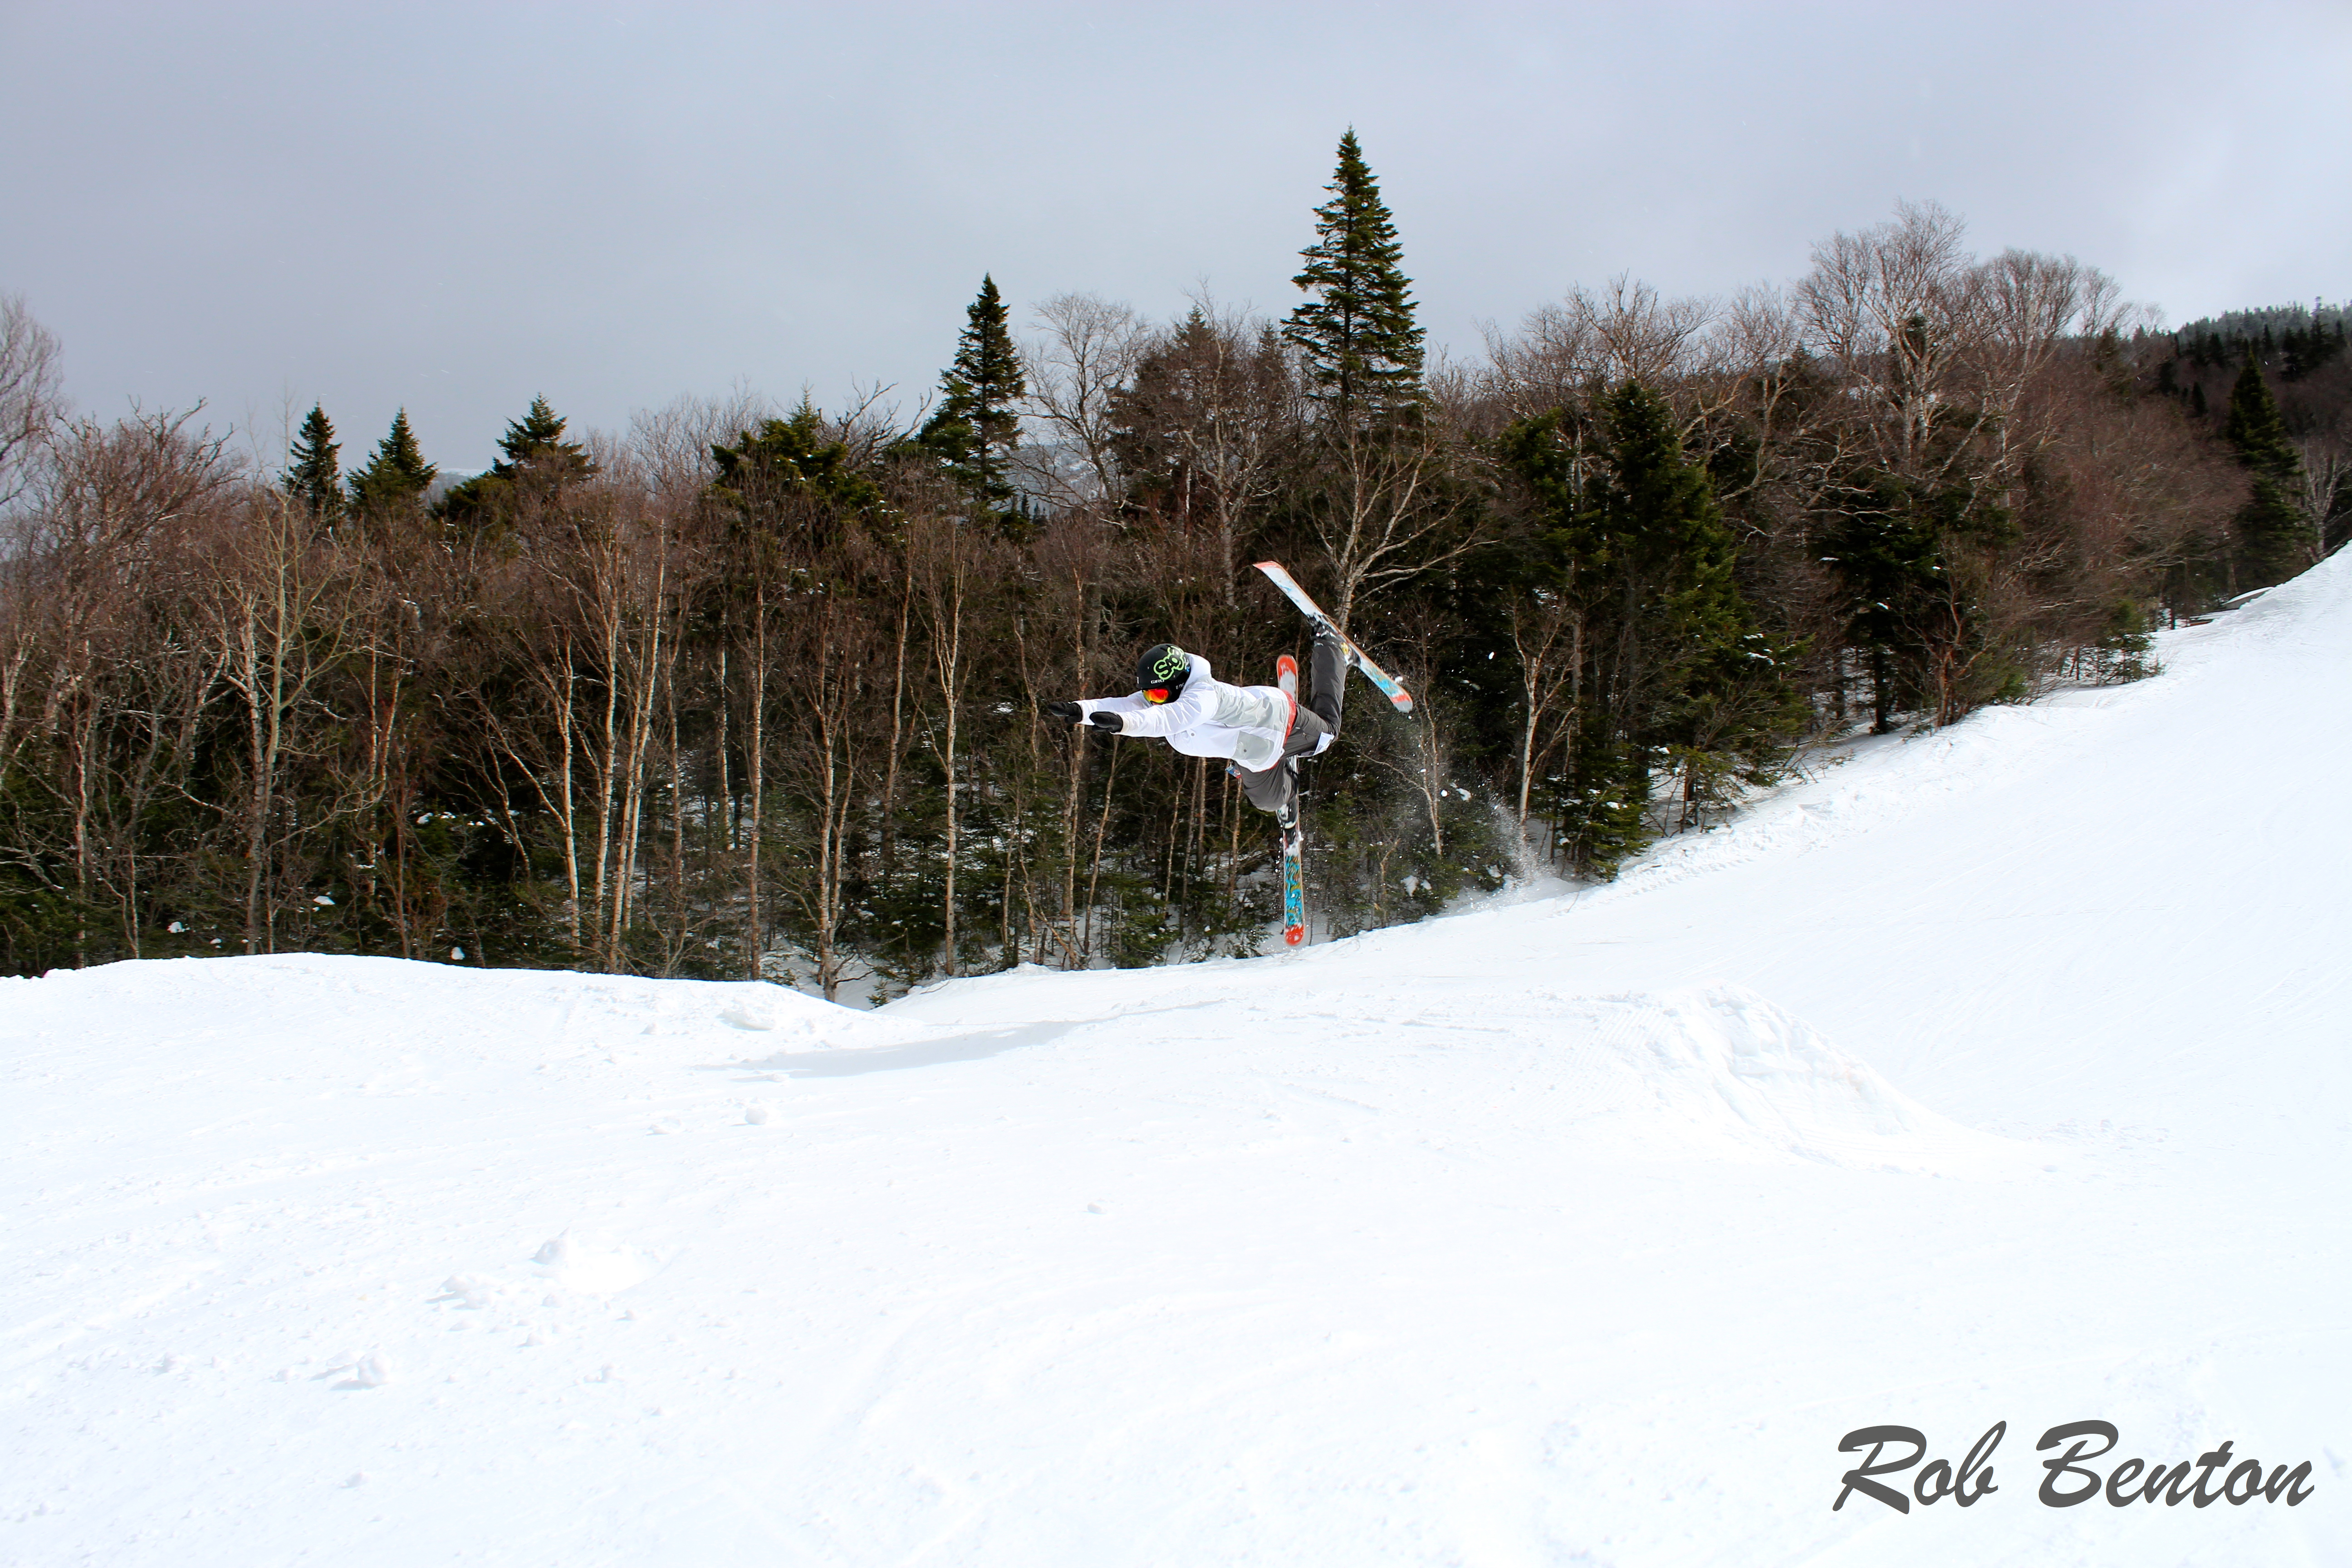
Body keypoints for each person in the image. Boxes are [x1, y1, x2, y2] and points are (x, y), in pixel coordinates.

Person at [1043, 632, 1346, 824]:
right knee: (1268, 802)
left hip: (1283, 724)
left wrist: (1124, 725)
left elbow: (1167, 719)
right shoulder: (1163, 699)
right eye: (1150, 695)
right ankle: (1284, 770)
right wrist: (1080, 710)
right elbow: (1129, 705)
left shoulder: (1203, 698)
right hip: (1254, 750)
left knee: (1330, 733)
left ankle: (1330, 645)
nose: (1154, 702)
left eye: (1159, 695)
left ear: (1176, 686)